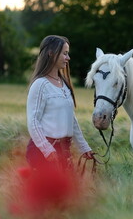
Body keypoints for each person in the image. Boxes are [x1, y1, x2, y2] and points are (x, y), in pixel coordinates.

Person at [26, 35, 94, 170]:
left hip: (64, 152)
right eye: (65, 53)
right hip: (43, 153)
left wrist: (84, 147)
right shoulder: (40, 85)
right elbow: (33, 121)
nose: (68, 58)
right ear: (51, 54)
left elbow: (71, 120)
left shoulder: (63, 84)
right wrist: (47, 150)